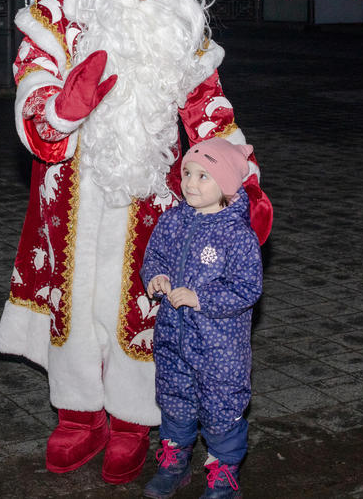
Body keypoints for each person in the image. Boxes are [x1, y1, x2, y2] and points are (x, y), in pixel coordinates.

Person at [0, 0, 272, 484]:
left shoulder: (180, 21)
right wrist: (63, 108)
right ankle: (76, 414)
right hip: (74, 186)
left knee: (142, 305)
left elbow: (209, 108)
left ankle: (131, 422)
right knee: (75, 295)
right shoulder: (61, 11)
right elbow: (31, 94)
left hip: (158, 194)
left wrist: (242, 179)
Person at [140, 138, 262, 499]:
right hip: (173, 339)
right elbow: (155, 256)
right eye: (187, 173)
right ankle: (174, 464)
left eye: (203, 176)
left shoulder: (237, 236)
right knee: (175, 399)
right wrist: (156, 276)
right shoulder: (173, 220)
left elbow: (247, 287)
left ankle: (223, 475)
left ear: (225, 185)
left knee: (221, 408)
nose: (190, 184)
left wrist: (201, 298)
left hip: (219, 348)